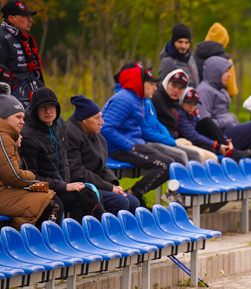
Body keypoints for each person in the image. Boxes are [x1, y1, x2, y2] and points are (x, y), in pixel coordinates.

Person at [0, 89, 60, 227]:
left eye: (23, 118)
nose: (22, 122)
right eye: (18, 117)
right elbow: (14, 177)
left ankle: (24, 236)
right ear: (4, 118)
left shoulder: (0, 136)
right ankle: (34, 243)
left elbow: (10, 173)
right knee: (52, 203)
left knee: (46, 191)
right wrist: (33, 177)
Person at [20, 87, 104, 222]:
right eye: (43, 107)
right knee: (56, 205)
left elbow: (64, 159)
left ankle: (86, 239)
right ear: (35, 110)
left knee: (88, 198)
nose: (48, 111)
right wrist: (64, 186)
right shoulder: (28, 135)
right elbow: (31, 178)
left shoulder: (59, 123)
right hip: (38, 189)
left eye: (51, 106)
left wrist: (67, 184)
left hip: (60, 185)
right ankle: (52, 241)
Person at [101, 65, 176, 207]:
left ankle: (135, 197)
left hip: (134, 143)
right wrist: (130, 146)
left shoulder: (137, 99)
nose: (155, 88)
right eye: (151, 84)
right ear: (140, 84)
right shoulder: (124, 100)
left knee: (170, 161)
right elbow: (106, 128)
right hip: (119, 148)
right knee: (165, 165)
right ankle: (133, 196)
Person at [66, 95, 140, 215]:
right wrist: (109, 188)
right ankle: (108, 233)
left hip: (96, 184)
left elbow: (102, 165)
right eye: (97, 118)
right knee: (121, 202)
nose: (102, 122)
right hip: (82, 187)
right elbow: (77, 173)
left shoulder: (95, 135)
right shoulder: (71, 135)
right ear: (84, 120)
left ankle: (125, 234)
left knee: (133, 202)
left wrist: (114, 184)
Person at [196, 56, 251, 159]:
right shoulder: (204, 91)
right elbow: (203, 123)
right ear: (216, 72)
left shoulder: (220, 89)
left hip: (228, 131)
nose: (229, 75)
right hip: (219, 136)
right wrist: (227, 120)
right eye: (226, 72)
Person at [0, 0, 43, 104]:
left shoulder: (23, 39)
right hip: (12, 102)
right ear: (12, 19)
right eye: (25, 16)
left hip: (30, 97)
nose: (30, 20)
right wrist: (3, 103)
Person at [151, 69, 217, 163]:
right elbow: (151, 125)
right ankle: (187, 178)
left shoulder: (175, 101)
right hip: (161, 141)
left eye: (181, 88)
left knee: (212, 157)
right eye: (174, 85)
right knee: (197, 156)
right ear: (167, 82)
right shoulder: (156, 97)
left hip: (174, 140)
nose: (176, 90)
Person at [205, 23, 239, 96]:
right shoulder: (227, 61)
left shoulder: (196, 56)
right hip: (218, 103)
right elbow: (232, 91)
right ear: (225, 40)